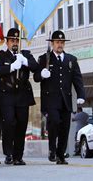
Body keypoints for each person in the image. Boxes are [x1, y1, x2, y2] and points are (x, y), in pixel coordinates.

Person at [34, 30, 86, 165]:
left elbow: (77, 79)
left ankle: (60, 154)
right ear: (52, 43)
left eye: (62, 42)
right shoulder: (44, 59)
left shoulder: (71, 60)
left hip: (65, 100)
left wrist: (81, 95)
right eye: (57, 42)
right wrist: (41, 74)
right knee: (55, 122)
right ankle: (52, 149)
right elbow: (36, 77)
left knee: (65, 128)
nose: (60, 45)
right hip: (50, 100)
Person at [0, 28, 39, 165]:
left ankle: (18, 156)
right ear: (7, 42)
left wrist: (25, 61)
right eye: (12, 40)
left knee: (21, 125)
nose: (15, 43)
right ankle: (8, 153)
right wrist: (11, 67)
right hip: (7, 95)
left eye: (17, 40)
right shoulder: (2, 55)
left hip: (22, 96)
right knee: (8, 123)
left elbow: (35, 67)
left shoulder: (25, 54)